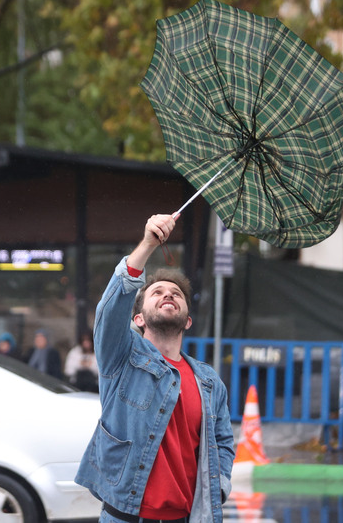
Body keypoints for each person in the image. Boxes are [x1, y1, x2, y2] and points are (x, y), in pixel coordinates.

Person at [75, 214, 234, 523]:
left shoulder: (208, 381)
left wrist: (219, 485)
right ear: (139, 319)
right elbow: (110, 309)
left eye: (176, 294)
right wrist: (148, 243)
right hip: (125, 517)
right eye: (157, 292)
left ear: (187, 320)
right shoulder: (121, 356)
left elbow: (223, 441)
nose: (168, 295)